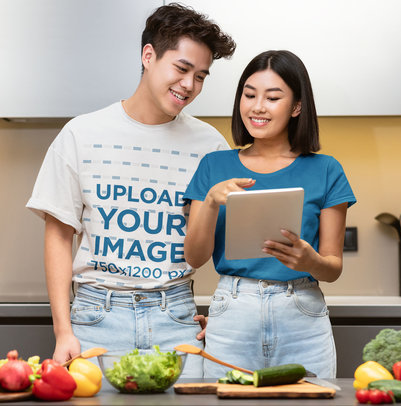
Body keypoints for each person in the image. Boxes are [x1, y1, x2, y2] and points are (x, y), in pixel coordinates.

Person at [26, 3, 235, 378]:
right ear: (148, 55)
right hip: (95, 319)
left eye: (201, 76)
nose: (189, 85)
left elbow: (227, 247)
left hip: (178, 319)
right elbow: (59, 235)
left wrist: (223, 317)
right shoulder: (81, 134)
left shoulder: (211, 146)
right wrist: (63, 331)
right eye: (182, 69)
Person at [183, 50, 356, 378]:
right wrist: (209, 202)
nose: (257, 106)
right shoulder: (213, 165)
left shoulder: (326, 170)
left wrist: (309, 261)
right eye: (249, 95)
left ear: (296, 107)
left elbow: (332, 268)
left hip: (302, 310)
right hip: (233, 310)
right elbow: (193, 257)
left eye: (272, 97)